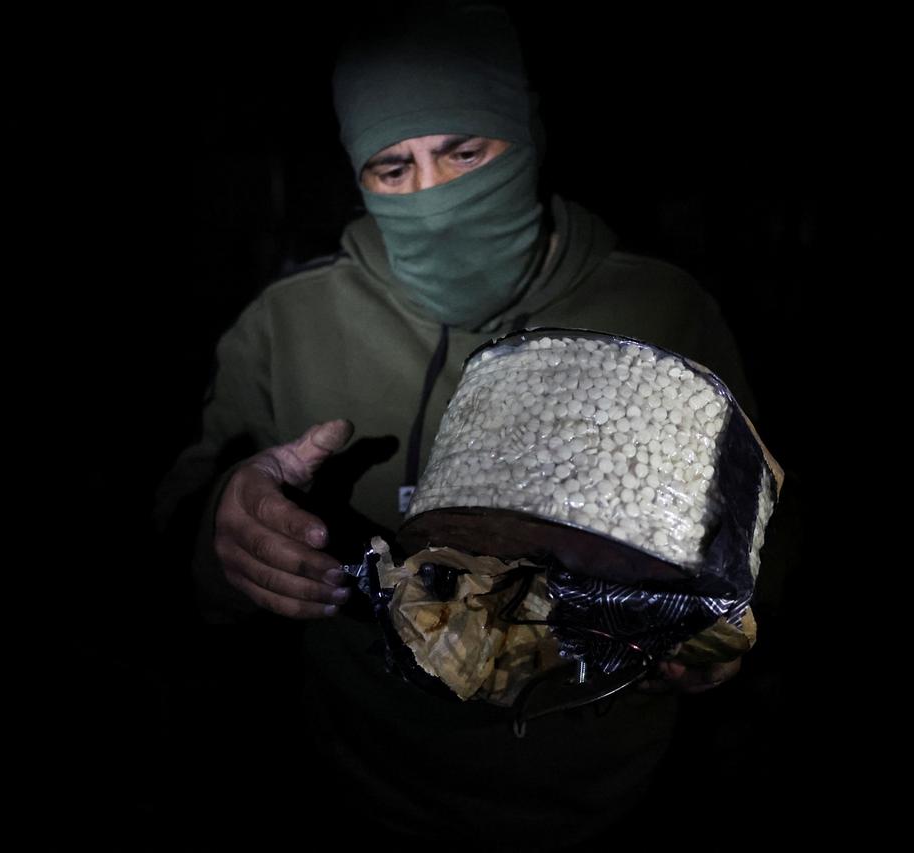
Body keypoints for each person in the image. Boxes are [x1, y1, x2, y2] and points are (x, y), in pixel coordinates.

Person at [156, 3, 760, 846]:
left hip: (607, 795)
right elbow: (172, 537)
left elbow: (762, 521)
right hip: (362, 787)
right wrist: (220, 529)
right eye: (393, 168)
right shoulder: (286, 324)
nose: (436, 199)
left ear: (526, 135)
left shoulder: (662, 309)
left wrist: (724, 631)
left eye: (467, 153)